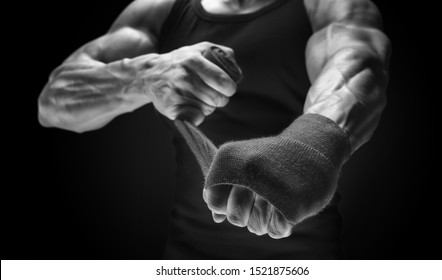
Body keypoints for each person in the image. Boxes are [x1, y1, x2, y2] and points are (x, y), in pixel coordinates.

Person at [37, 0, 390, 259]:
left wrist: (306, 147)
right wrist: (143, 76)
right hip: (185, 262)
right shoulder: (159, 9)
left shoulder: (329, 5)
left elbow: (359, 68)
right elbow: (53, 103)